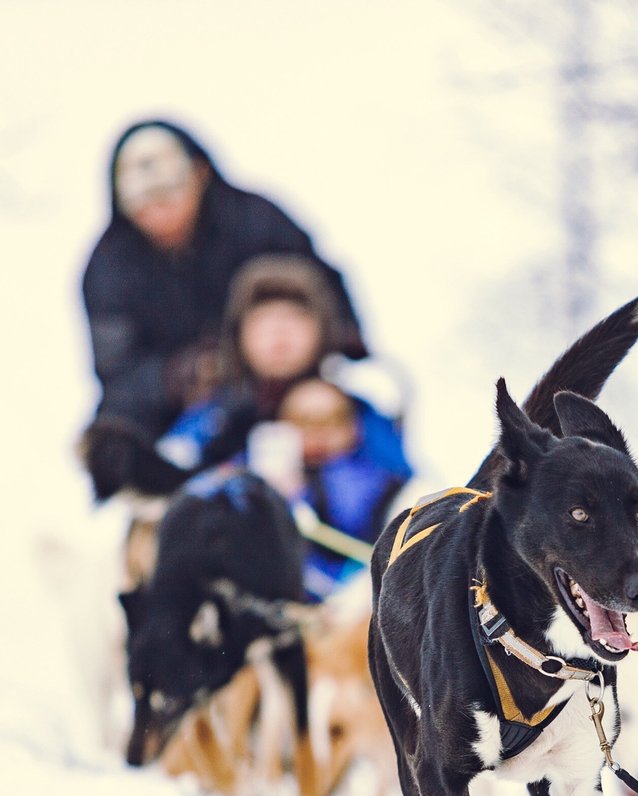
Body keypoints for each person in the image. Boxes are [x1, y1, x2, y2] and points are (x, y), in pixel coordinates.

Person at [76, 120, 367, 503]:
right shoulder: (109, 268)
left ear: (199, 173)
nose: (158, 212)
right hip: (184, 403)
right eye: (142, 204)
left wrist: (332, 360)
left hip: (289, 381)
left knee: (335, 416)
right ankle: (157, 512)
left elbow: (326, 301)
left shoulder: (258, 222)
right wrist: (177, 377)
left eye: (167, 194)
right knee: (115, 447)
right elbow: (117, 373)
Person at [173, 256, 412, 599]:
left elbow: (401, 499)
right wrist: (247, 485)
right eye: (263, 319)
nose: (279, 332)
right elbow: (177, 490)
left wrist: (315, 482)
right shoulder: (215, 417)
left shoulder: (358, 414)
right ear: (239, 333)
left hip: (346, 595)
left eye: (296, 317)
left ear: (323, 329)